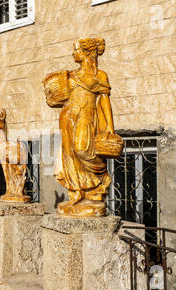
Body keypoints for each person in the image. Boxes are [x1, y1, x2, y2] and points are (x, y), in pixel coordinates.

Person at [50, 38, 121, 213]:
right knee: (70, 156)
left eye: (76, 50)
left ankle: (100, 180)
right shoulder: (71, 75)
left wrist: (110, 127)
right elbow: (58, 98)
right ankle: (77, 193)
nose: (73, 53)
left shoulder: (100, 75)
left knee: (83, 151)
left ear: (87, 52)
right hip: (67, 117)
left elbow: (105, 102)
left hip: (86, 118)